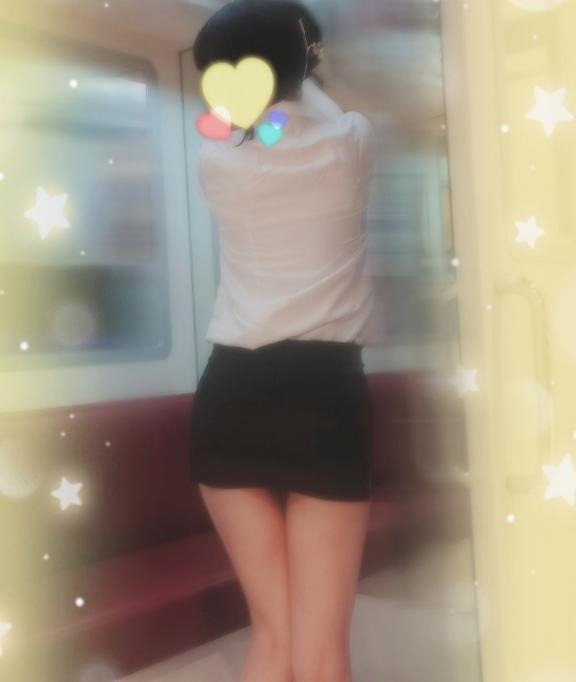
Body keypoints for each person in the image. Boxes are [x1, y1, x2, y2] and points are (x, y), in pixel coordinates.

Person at [189, 2, 378, 681]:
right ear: (305, 62)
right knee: (320, 654)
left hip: (230, 396)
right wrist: (303, 57)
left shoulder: (218, 161)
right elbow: (314, 108)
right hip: (325, 397)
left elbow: (258, 125)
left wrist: (282, 73)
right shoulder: (350, 140)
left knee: (273, 638)